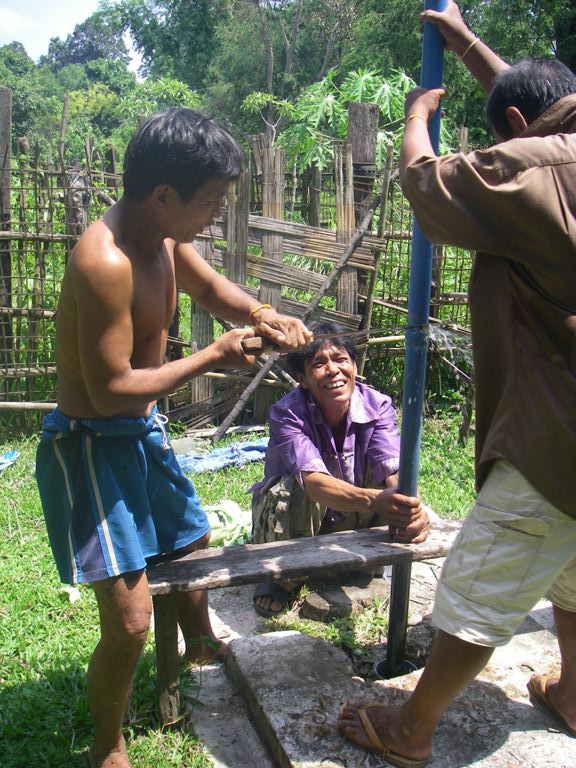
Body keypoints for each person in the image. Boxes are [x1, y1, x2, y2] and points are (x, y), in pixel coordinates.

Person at [35, 107, 312, 768]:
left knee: (193, 545)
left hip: (141, 434)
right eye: (211, 201)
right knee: (129, 623)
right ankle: (109, 745)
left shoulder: (163, 241)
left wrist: (263, 313)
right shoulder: (105, 262)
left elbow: (215, 288)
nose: (215, 213)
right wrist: (214, 355)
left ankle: (199, 649)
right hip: (93, 447)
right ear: (165, 196)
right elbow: (110, 391)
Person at [338, 2, 576, 765]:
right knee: (573, 567)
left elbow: (425, 183)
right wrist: (467, 41)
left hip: (556, 432)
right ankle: (574, 693)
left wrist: (416, 117)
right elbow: (534, 110)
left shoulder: (529, 171)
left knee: (480, 580)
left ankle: (412, 728)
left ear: (511, 126)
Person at [251, 321, 431, 617]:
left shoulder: (378, 405)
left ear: (354, 366)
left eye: (340, 360)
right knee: (296, 485)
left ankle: (365, 561)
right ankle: (284, 579)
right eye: (319, 364)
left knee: (391, 480)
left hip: (351, 515)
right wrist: (374, 500)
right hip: (299, 520)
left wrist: (409, 507)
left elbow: (394, 467)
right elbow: (312, 481)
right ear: (303, 379)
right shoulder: (287, 413)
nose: (333, 370)